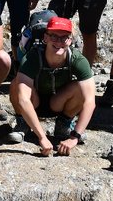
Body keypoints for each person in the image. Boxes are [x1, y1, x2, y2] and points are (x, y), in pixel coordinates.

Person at [8, 16, 95, 157]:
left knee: (80, 87)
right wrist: (42, 137)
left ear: (70, 40)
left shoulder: (78, 60)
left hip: (58, 103)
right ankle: (23, 122)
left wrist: (74, 138)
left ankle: (64, 125)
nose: (59, 42)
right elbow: (23, 99)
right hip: (33, 102)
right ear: (45, 38)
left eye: (64, 37)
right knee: (16, 84)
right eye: (54, 36)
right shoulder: (32, 58)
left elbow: (90, 101)